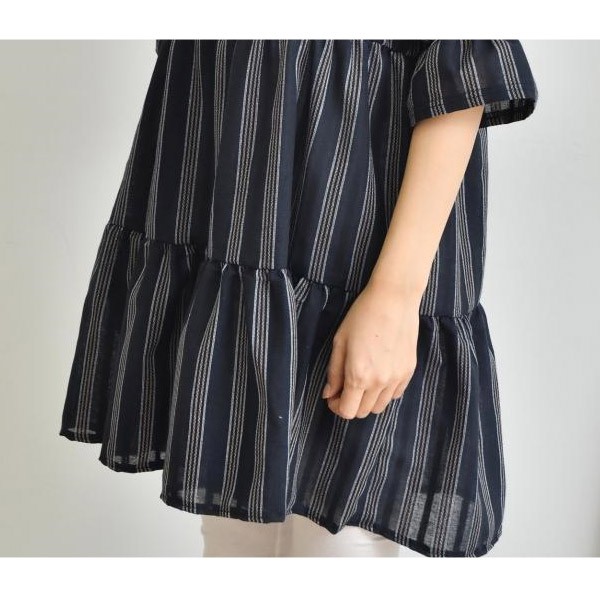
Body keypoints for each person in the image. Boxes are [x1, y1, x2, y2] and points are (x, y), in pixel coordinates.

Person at [59, 40, 538, 557]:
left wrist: (395, 296)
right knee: (233, 527)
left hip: (354, 231)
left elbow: (463, 66)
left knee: (342, 534)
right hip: (228, 215)